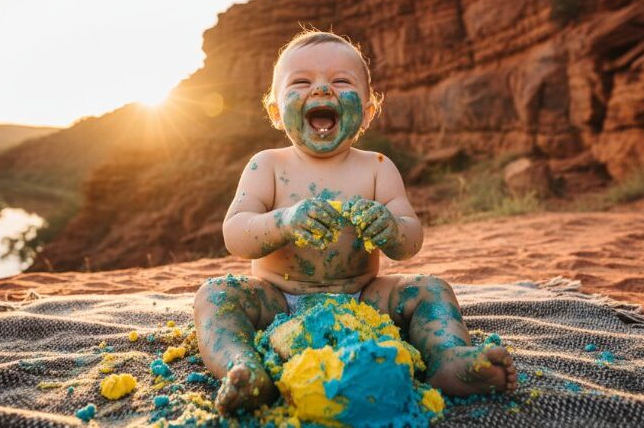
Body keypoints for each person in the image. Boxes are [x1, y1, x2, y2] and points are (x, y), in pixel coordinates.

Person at [194, 31, 517, 415]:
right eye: (301, 82)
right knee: (215, 295)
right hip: (277, 301)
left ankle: (449, 358)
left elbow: (410, 239)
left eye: (341, 81)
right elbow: (236, 232)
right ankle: (244, 367)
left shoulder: (377, 168)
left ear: (366, 112)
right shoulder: (267, 165)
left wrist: (391, 228)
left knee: (431, 289)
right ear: (276, 112)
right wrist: (285, 221)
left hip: (364, 300)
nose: (322, 89)